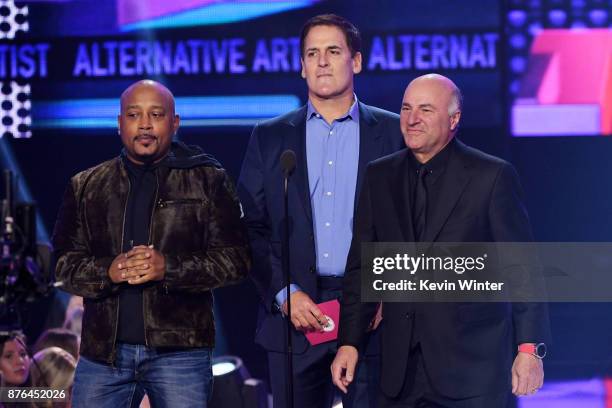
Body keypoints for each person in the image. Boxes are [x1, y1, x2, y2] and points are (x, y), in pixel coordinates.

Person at [332, 73, 551, 407]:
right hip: (398, 371)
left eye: (425, 109)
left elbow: (522, 269)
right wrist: (349, 341)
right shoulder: (379, 175)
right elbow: (363, 267)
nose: (412, 119)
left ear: (454, 119)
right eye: (406, 109)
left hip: (472, 369)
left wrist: (528, 349)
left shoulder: (491, 176)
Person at [238, 14, 403, 408]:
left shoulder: (394, 133)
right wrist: (284, 294)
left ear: (356, 61)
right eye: (312, 53)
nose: (322, 61)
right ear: (301, 66)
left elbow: (416, 226)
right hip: (295, 316)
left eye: (333, 51)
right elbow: (248, 230)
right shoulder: (270, 137)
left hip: (373, 314)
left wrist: (388, 294)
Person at [52, 79, 250, 408]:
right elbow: (61, 267)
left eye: (156, 114)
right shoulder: (86, 186)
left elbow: (237, 260)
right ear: (119, 124)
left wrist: (167, 268)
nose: (144, 124)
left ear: (174, 123)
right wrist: (108, 271)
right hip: (103, 356)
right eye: (134, 115)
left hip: (180, 354)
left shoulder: (208, 181)